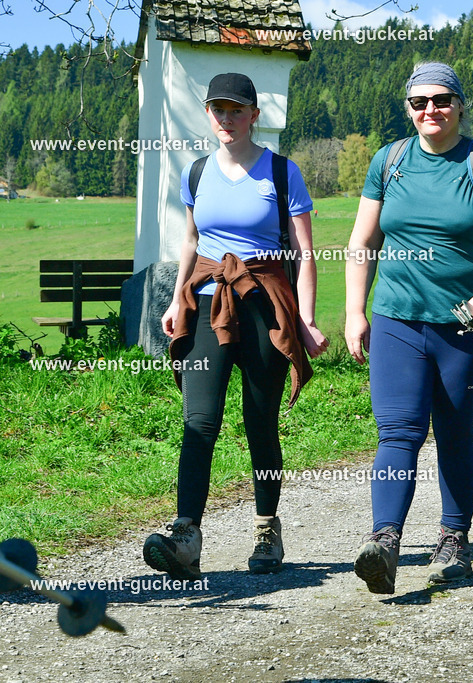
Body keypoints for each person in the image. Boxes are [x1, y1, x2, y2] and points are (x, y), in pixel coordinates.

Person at [143, 73, 329, 580]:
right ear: (209, 114)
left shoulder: (283, 174)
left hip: (262, 306)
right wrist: (178, 300)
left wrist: (306, 320)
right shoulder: (196, 173)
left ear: (254, 115)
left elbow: (304, 254)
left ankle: (267, 527)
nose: (226, 119)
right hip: (206, 303)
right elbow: (190, 241)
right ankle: (186, 535)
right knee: (198, 419)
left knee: (259, 421)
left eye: (235, 109)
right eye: (217, 110)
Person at [344, 62, 473, 594]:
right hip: (397, 318)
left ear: (460, 105)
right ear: (408, 109)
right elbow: (363, 241)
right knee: (397, 431)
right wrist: (356, 311)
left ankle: (453, 540)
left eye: (441, 100)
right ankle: (385, 542)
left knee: (454, 431)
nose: (430, 110)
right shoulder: (389, 160)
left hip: (463, 326)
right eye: (419, 102)